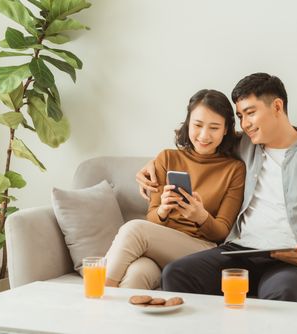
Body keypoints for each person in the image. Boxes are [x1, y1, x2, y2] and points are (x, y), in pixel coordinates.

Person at [136, 73, 297, 302]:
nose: (245, 124)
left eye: (251, 113)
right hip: (240, 251)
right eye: (240, 116)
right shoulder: (244, 143)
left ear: (277, 107)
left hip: (295, 259)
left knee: (282, 292)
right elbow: (201, 143)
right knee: (176, 274)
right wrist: (151, 165)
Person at [105, 89, 245, 290]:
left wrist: (200, 216)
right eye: (197, 125)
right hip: (158, 247)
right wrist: (162, 209)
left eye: (214, 127)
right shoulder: (166, 159)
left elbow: (222, 231)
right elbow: (152, 218)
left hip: (200, 250)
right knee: (136, 275)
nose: (204, 135)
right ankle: (110, 318)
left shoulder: (234, 169)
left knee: (134, 229)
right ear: (188, 123)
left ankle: (94, 300)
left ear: (225, 130)